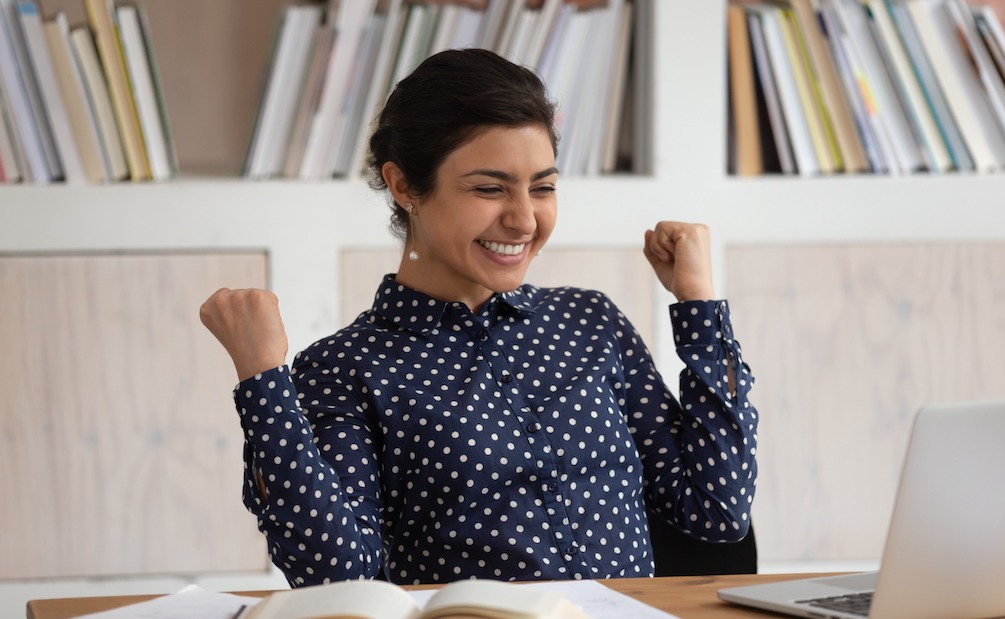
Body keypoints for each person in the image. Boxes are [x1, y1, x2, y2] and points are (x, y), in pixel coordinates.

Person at [200, 48, 758, 587]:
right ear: (404, 187)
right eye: (489, 189)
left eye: (542, 187)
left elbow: (716, 510)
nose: (522, 220)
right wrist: (263, 381)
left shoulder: (591, 322)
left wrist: (698, 304)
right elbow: (339, 576)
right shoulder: (345, 368)